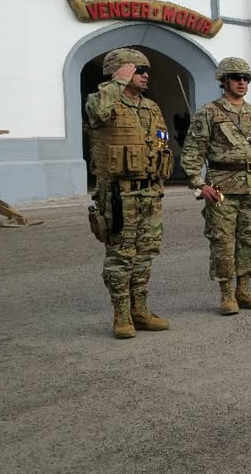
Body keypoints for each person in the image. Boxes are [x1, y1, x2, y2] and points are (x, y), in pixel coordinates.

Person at [181, 57, 251, 315]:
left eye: (246, 78)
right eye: (236, 78)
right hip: (222, 190)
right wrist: (198, 184)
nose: (242, 82)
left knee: (250, 241)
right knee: (223, 243)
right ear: (224, 80)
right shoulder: (208, 113)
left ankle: (244, 289)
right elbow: (192, 153)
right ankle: (227, 294)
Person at [84, 48, 173, 339]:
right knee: (121, 255)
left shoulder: (151, 107)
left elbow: (160, 146)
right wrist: (116, 84)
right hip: (119, 196)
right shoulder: (101, 101)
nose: (146, 75)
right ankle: (121, 315)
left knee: (146, 254)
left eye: (147, 71)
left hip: (149, 193)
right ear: (120, 72)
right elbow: (98, 113)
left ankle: (140, 310)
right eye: (139, 70)